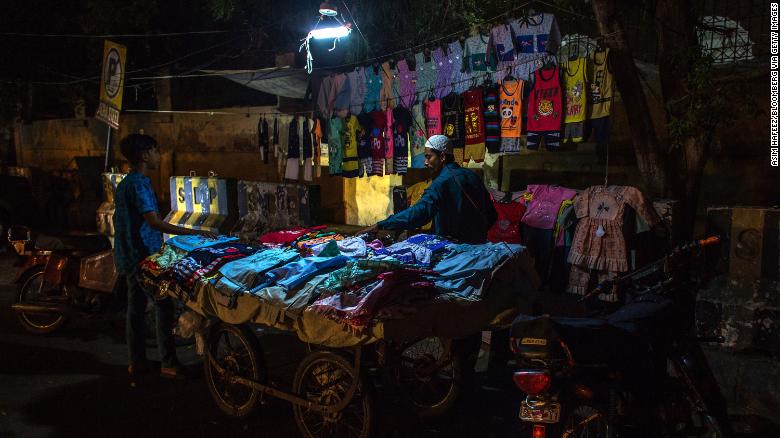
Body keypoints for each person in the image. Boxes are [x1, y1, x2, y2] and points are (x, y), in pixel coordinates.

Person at [113, 134, 216, 384]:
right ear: (145, 154)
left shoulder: (127, 183)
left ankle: (136, 363)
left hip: (129, 254)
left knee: (135, 310)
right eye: (156, 150)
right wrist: (194, 233)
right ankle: (169, 363)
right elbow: (154, 222)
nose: (159, 156)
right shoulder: (139, 183)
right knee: (163, 305)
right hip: (144, 257)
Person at [372, 135, 497, 243]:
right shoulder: (472, 176)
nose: (425, 162)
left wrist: (381, 224)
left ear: (442, 157)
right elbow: (492, 214)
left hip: (453, 249)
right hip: (478, 246)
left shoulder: (441, 183)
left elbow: (419, 213)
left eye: (428, 157)